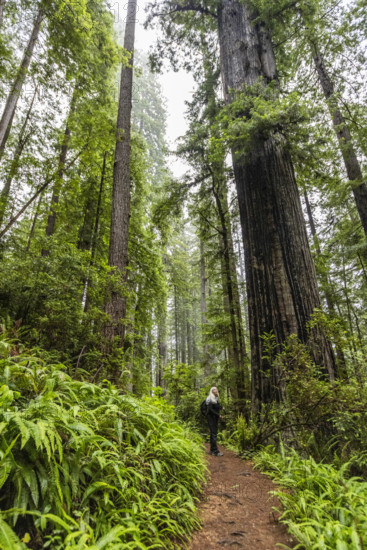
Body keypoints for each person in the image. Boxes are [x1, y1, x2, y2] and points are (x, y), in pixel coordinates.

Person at [206, 387, 224, 456]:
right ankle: (216, 451)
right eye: (214, 390)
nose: (216, 391)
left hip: (214, 418)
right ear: (212, 392)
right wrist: (218, 415)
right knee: (214, 434)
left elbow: (216, 406)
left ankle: (212, 450)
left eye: (216, 390)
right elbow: (210, 410)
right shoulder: (210, 399)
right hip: (211, 418)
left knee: (213, 433)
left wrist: (221, 407)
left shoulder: (215, 398)